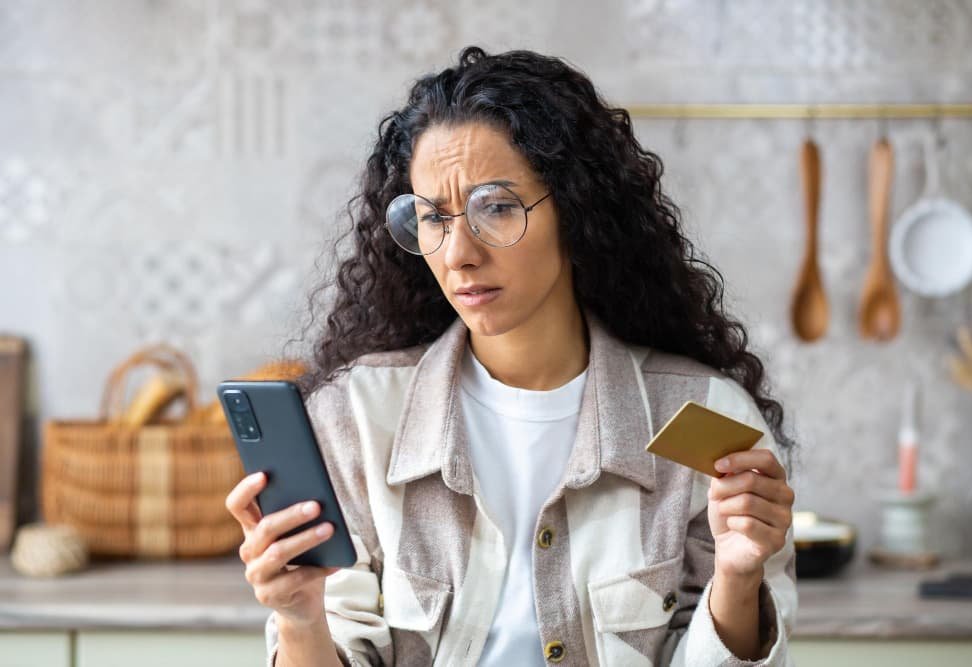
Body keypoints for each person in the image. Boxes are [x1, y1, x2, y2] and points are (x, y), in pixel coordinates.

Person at [225, 46, 798, 667]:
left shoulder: (702, 416)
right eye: (432, 217)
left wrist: (739, 581)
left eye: (495, 207)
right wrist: (300, 618)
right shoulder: (355, 420)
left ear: (576, 210)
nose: (458, 254)